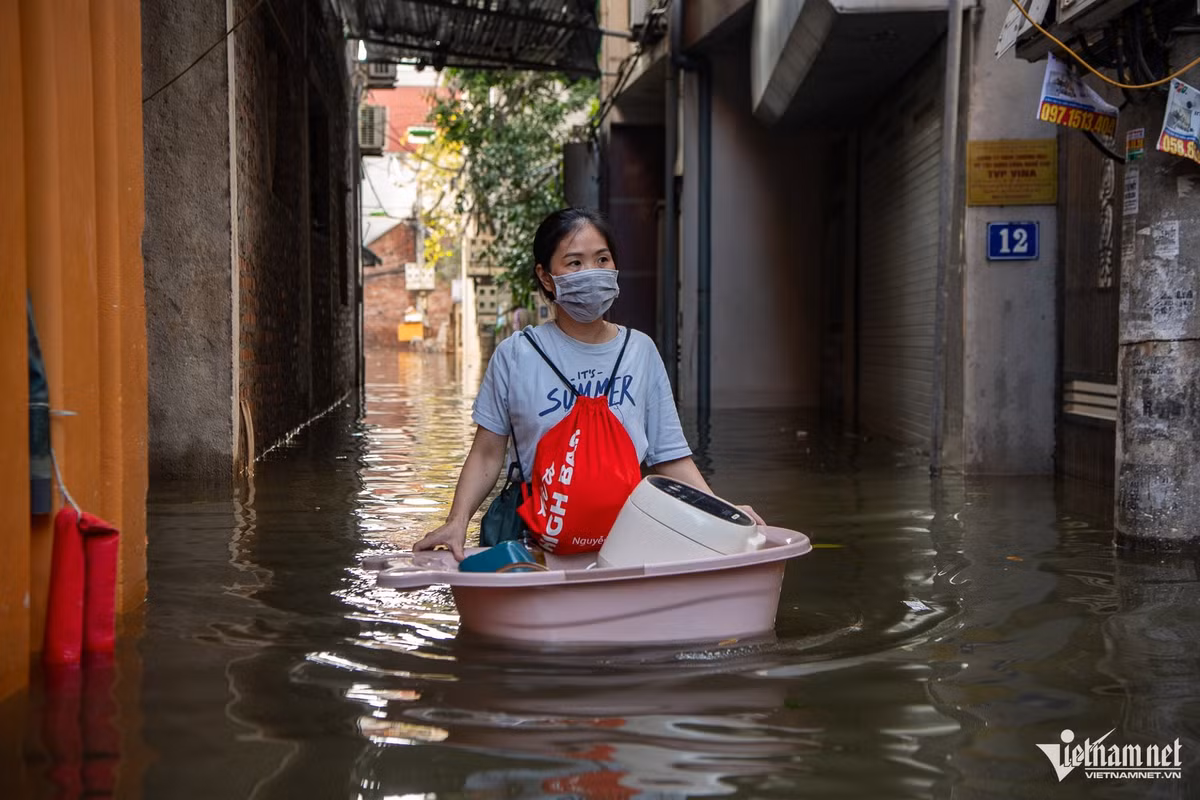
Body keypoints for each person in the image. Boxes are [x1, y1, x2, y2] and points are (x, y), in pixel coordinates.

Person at [414, 208, 763, 559]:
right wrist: (457, 520)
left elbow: (670, 457)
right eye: (575, 263)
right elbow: (487, 453)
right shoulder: (516, 355)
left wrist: (725, 515)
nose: (591, 273)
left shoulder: (640, 351)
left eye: (602, 259)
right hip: (534, 545)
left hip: (626, 541)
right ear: (546, 277)